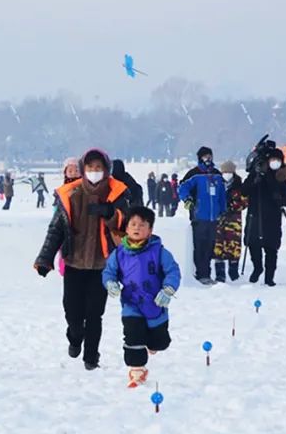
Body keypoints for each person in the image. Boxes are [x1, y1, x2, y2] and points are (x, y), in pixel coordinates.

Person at [34, 149, 132, 370]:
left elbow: (127, 226)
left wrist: (111, 214)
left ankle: (91, 357)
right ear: (83, 169)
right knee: (72, 310)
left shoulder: (117, 194)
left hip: (102, 266)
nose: (94, 172)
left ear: (106, 170)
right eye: (90, 168)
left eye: (99, 168)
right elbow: (56, 230)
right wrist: (44, 259)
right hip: (74, 263)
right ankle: (75, 337)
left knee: (95, 313)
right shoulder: (71, 194)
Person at [102, 206, 180, 387]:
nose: (137, 228)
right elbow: (109, 272)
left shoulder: (159, 251)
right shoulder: (119, 253)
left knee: (159, 342)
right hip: (131, 302)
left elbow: (173, 271)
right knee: (132, 334)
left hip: (155, 303)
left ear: (150, 230)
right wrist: (110, 283)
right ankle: (137, 370)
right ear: (127, 229)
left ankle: (153, 344)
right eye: (133, 224)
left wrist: (168, 289)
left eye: (142, 225)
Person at [242, 146, 286, 286]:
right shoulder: (257, 173)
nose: (275, 162)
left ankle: (269, 277)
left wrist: (280, 198)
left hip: (272, 218)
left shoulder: (282, 177)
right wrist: (255, 180)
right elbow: (244, 190)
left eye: (278, 160)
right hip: (255, 215)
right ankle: (257, 268)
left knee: (271, 249)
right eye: (273, 159)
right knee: (253, 245)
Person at [178, 147, 228, 284]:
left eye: (210, 156)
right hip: (199, 216)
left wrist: (223, 209)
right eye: (205, 156)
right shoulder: (194, 174)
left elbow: (222, 194)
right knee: (199, 246)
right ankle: (201, 274)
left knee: (210, 246)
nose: (208, 159)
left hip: (214, 218)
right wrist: (187, 199)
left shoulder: (217, 175)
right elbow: (182, 187)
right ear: (200, 158)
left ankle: (207, 274)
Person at [212, 161, 248, 283]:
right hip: (219, 221)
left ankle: (234, 272)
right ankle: (220, 274)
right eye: (225, 172)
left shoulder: (239, 186)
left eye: (229, 172)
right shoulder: (216, 184)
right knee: (218, 247)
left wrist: (232, 205)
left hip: (234, 221)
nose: (227, 174)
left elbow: (244, 202)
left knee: (234, 246)